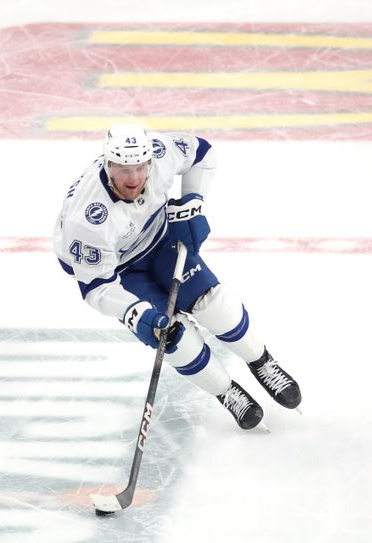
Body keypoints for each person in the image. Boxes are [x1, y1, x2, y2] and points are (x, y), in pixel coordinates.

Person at [53, 124, 301, 429]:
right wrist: (136, 314)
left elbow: (202, 153)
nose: (133, 179)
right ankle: (226, 392)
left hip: (161, 237)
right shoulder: (89, 220)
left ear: (148, 161)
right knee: (173, 338)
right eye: (122, 170)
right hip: (120, 268)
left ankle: (262, 362)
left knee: (215, 306)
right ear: (107, 165)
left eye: (139, 168)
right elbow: (96, 286)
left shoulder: (160, 152)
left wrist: (192, 204)